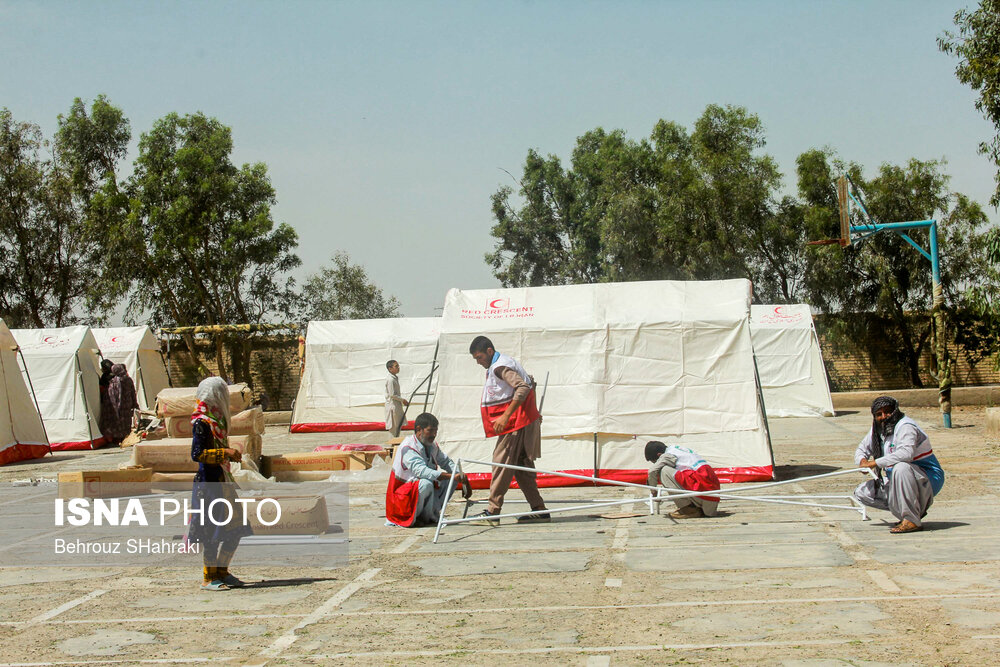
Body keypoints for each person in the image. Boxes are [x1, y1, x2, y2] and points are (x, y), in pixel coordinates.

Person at [467, 336, 549, 525]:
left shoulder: (500, 366)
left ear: (489, 351)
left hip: (516, 424)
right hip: (523, 420)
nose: (479, 362)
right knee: (521, 467)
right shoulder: (504, 362)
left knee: (501, 462)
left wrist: (505, 416)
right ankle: (539, 509)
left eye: (479, 357)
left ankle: (492, 511)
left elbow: (523, 387)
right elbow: (530, 382)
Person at [187, 376, 252, 590]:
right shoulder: (202, 423)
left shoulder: (217, 423)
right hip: (209, 486)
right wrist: (224, 452)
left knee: (236, 529)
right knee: (211, 532)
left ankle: (223, 571)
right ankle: (209, 577)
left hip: (223, 482)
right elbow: (197, 454)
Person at [853, 396, 945, 534]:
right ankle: (909, 513)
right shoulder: (877, 430)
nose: (884, 417)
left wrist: (874, 463)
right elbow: (862, 449)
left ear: (895, 411)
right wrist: (862, 461)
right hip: (897, 480)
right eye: (879, 414)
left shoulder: (906, 426)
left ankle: (912, 519)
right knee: (862, 493)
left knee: (901, 467)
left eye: (888, 412)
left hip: (926, 479)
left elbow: (906, 454)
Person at [385, 412, 470, 527]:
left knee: (451, 478)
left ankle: (430, 514)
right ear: (419, 430)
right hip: (402, 496)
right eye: (430, 431)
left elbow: (446, 462)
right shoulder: (408, 447)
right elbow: (422, 471)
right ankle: (419, 517)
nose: (434, 435)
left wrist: (462, 478)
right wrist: (451, 476)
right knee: (426, 483)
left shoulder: (432, 445)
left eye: (435, 431)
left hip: (418, 490)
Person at [644, 441, 720, 518]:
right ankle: (694, 506)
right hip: (712, 494)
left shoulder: (667, 455)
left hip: (704, 491)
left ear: (659, 455)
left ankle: (689, 510)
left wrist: (654, 492)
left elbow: (652, 471)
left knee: (664, 471)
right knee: (676, 474)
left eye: (654, 461)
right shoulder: (676, 450)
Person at [99, 364, 139, 446]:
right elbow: (133, 393)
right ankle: (126, 438)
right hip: (127, 405)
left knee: (116, 423)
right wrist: (135, 404)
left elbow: (109, 394)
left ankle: (117, 440)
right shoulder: (128, 380)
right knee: (126, 422)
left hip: (115, 407)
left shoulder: (113, 381)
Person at [385, 360, 409, 437]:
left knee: (398, 426)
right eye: (396, 366)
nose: (398, 368)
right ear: (390, 368)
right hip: (392, 406)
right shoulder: (390, 380)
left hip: (396, 405)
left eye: (398, 366)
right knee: (393, 427)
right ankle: (392, 445)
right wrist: (403, 400)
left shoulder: (394, 378)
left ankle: (395, 444)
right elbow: (392, 394)